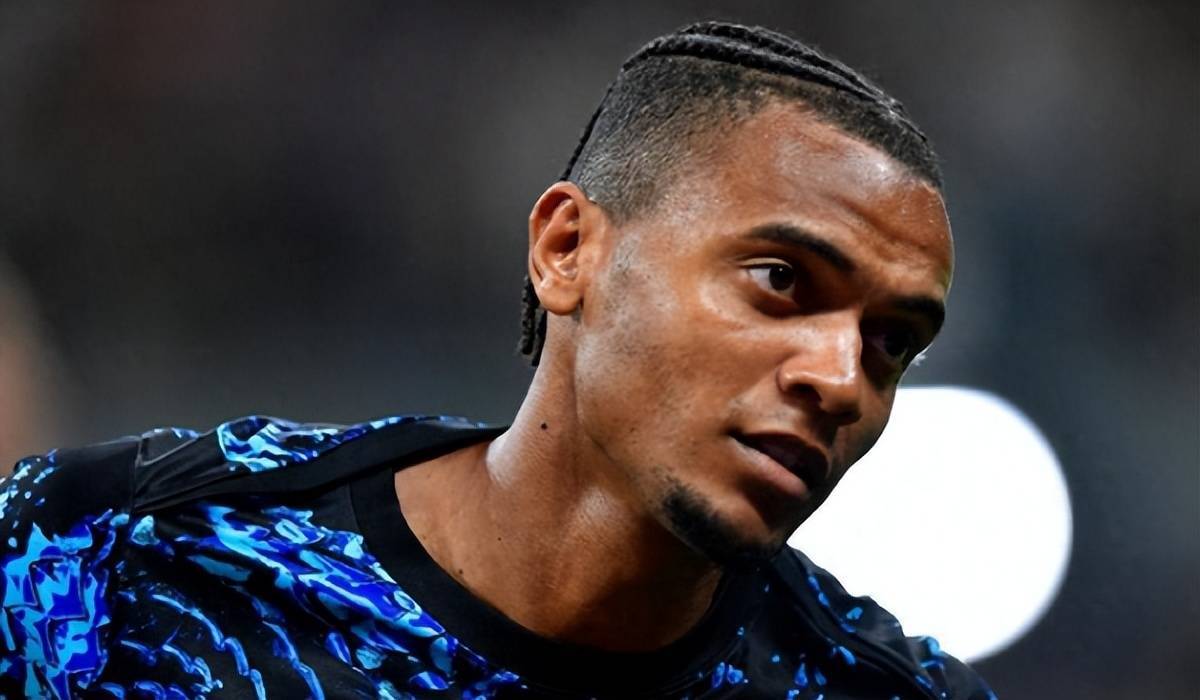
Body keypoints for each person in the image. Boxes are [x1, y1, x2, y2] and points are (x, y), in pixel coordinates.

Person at [0, 21, 996, 699]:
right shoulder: (110, 552)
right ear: (569, 250)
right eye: (780, 279)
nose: (842, 379)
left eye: (892, 342)